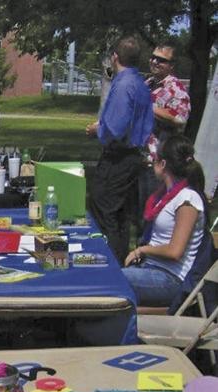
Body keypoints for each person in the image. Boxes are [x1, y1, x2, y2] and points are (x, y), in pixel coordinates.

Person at [85, 35, 154, 265]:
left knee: (104, 207)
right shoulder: (141, 84)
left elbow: (116, 125)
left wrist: (98, 129)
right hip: (134, 155)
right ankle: (122, 259)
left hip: (119, 156)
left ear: (115, 57)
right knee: (121, 212)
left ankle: (110, 262)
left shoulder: (124, 84)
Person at [123, 135, 206, 307]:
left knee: (111, 278)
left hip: (170, 278)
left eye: (154, 159)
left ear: (163, 164)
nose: (151, 162)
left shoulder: (188, 200)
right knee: (104, 271)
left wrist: (142, 250)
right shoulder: (165, 195)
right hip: (150, 268)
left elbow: (175, 251)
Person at [137, 44, 191, 233]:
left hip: (159, 164)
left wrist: (150, 107)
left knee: (153, 217)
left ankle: (150, 254)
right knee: (139, 216)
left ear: (172, 65)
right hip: (141, 159)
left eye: (161, 60)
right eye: (153, 57)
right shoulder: (148, 83)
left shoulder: (176, 89)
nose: (154, 61)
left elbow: (180, 118)